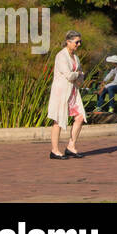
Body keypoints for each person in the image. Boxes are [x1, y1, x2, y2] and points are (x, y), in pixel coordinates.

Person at [47, 30, 87, 159]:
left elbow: (79, 76)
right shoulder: (61, 56)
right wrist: (78, 74)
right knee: (58, 120)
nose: (79, 44)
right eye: (76, 42)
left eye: (80, 41)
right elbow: (70, 75)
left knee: (80, 116)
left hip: (73, 92)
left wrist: (79, 76)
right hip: (61, 92)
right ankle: (54, 150)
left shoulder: (76, 57)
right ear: (68, 42)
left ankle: (71, 146)